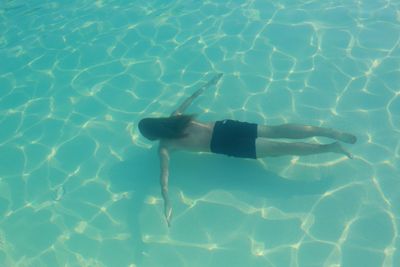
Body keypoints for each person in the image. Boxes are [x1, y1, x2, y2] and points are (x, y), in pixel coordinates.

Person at [138, 73, 357, 226]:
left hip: (225, 145)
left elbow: (163, 178)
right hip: (225, 127)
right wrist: (210, 83)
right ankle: (329, 132)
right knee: (276, 131)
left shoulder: (165, 147)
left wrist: (167, 202)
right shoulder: (176, 117)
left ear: (153, 136)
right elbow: (192, 96)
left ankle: (330, 147)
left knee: (281, 148)